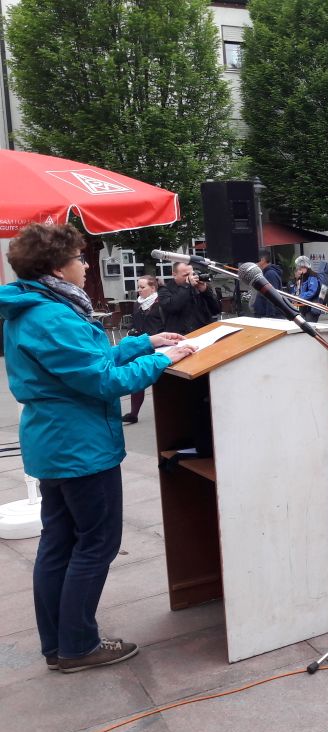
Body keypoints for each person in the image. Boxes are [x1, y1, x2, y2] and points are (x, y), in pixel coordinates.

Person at [0, 223, 194, 673]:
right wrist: (161, 360)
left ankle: (59, 643)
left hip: (58, 441)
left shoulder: (40, 306)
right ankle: (78, 646)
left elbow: (90, 361)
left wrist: (145, 342)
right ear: (56, 267)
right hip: (78, 445)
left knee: (60, 542)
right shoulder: (51, 315)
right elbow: (102, 380)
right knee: (95, 544)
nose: (86, 265)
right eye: (79, 258)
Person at [122, 275, 166, 424]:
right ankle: (134, 414)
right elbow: (135, 322)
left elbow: (166, 322)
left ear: (152, 288)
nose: (139, 290)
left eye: (142, 287)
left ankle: (167, 413)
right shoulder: (137, 304)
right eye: (138, 287)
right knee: (138, 377)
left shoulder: (161, 303)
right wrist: (131, 331)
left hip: (159, 344)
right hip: (141, 344)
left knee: (161, 381)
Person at [158, 260, 220, 335]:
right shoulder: (165, 289)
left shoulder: (198, 286)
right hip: (181, 336)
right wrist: (187, 286)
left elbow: (216, 309)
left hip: (204, 332)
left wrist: (205, 290)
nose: (190, 277)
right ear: (174, 275)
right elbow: (172, 306)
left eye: (191, 274)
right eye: (185, 275)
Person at [252, 249, 284, 318]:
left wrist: (270, 316)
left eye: (256, 260)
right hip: (263, 313)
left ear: (263, 260)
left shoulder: (270, 274)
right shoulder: (266, 273)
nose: (254, 263)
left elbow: (272, 296)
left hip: (267, 315)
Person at [291, 256, 322, 324]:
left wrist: (299, 297)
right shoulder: (303, 276)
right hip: (304, 307)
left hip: (311, 308)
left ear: (306, 266)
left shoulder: (312, 276)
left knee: (310, 326)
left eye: (301, 267)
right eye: (299, 267)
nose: (300, 269)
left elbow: (312, 291)